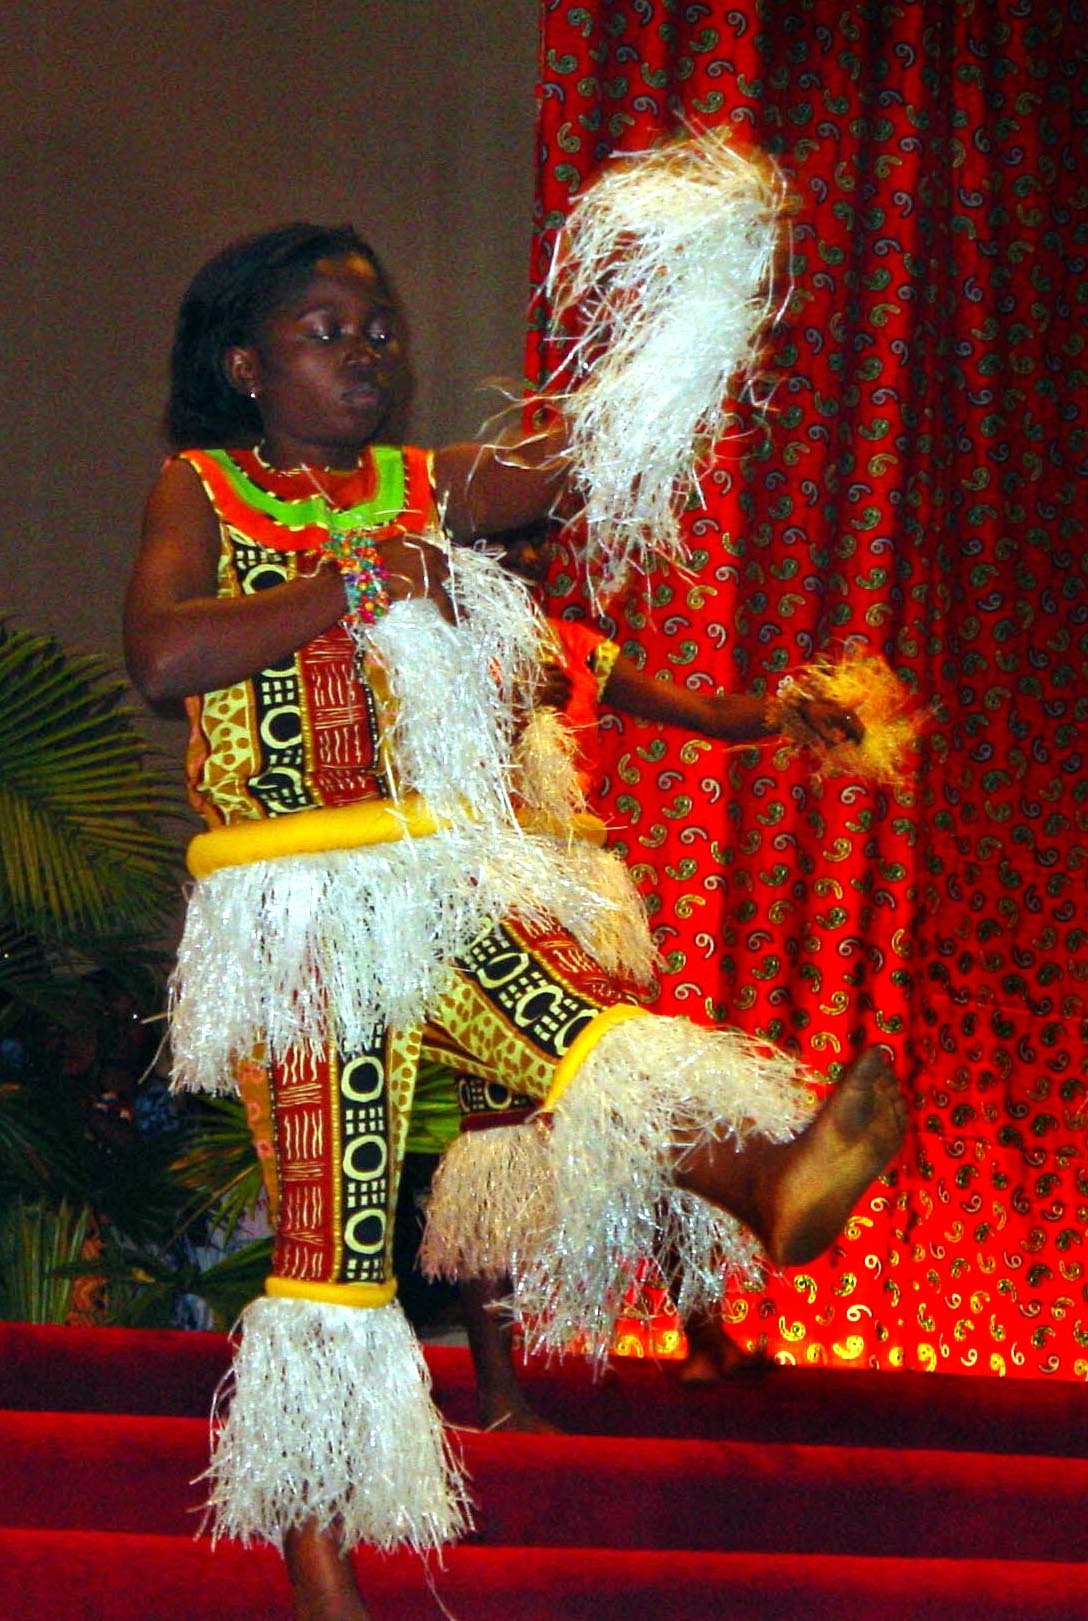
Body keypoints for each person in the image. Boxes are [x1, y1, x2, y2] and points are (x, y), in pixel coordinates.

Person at [124, 221, 906, 1621]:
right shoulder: (205, 490)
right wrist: (349, 585)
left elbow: (561, 467)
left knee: (589, 1023)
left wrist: (699, 316)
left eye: (380, 336)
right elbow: (163, 653)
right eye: (327, 335)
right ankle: (320, 1577)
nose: (369, 357)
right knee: (334, 1248)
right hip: (297, 920)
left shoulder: (424, 486)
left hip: (434, 881)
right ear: (246, 366)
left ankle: (764, 1178)